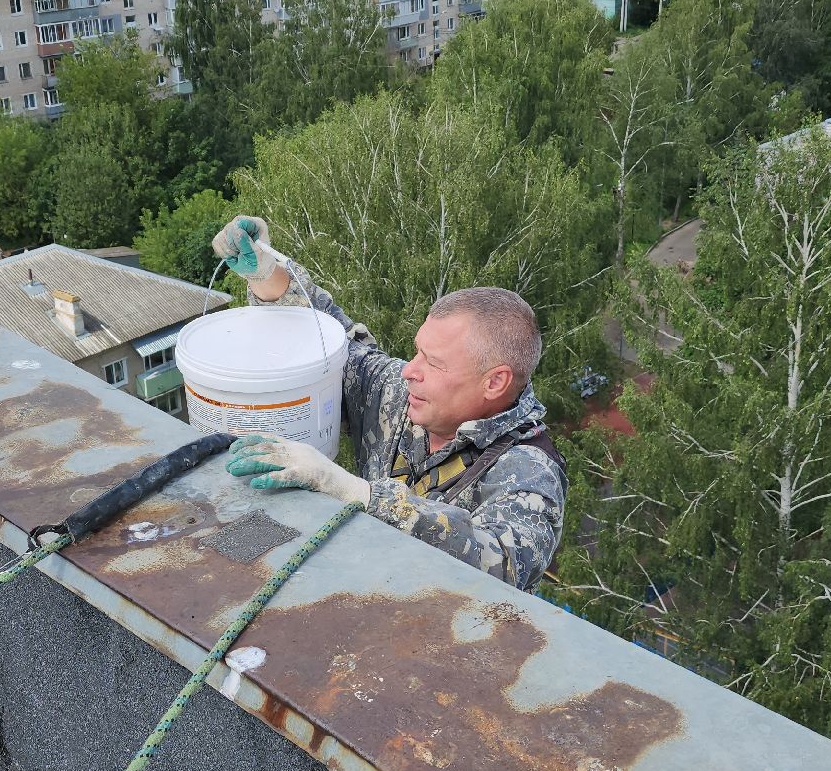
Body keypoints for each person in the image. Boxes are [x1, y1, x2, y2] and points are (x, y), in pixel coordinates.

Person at [209, 216, 565, 591]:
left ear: (495, 382)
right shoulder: (402, 393)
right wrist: (269, 276)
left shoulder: (528, 470)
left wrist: (355, 493)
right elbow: (332, 345)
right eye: (417, 351)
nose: (410, 370)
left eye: (434, 362)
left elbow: (504, 565)